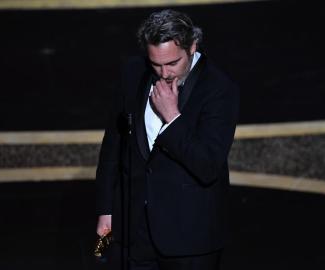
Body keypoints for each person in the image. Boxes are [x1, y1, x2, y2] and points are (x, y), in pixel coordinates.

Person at [96, 9, 239, 270]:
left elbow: (207, 166)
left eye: (173, 63)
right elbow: (113, 147)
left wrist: (172, 117)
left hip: (190, 241)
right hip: (134, 232)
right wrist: (106, 209)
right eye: (156, 64)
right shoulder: (132, 72)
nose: (164, 73)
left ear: (192, 46)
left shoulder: (219, 89)